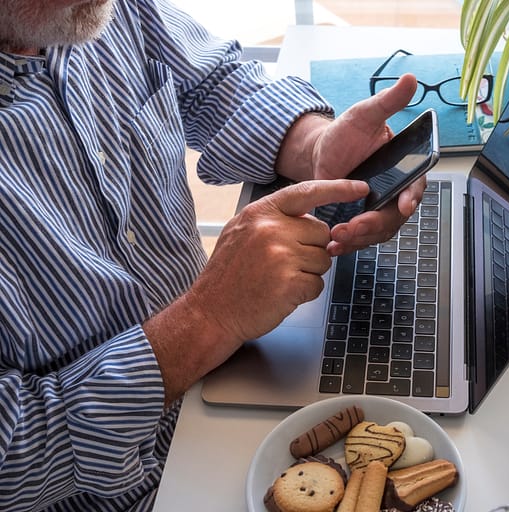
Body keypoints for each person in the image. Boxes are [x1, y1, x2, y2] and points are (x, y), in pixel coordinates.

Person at [0, 0, 424, 510]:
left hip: (233, 375)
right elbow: (13, 463)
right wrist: (206, 319)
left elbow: (212, 81)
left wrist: (315, 148)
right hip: (122, 491)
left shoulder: (101, 10)